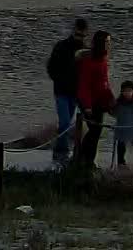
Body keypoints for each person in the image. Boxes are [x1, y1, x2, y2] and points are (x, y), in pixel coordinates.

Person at [47, 18, 92, 164]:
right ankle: (61, 152)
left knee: (71, 122)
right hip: (61, 91)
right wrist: (59, 80)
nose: (80, 38)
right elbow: (51, 67)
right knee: (65, 122)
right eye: (78, 34)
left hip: (75, 93)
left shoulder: (86, 51)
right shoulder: (61, 46)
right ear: (74, 31)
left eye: (83, 35)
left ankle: (70, 152)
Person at [74, 31, 114, 167]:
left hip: (98, 100)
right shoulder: (89, 61)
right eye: (107, 42)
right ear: (101, 43)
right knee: (94, 131)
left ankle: (88, 161)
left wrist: (111, 101)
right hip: (87, 101)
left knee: (96, 132)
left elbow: (104, 83)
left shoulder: (103, 59)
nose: (109, 44)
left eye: (110, 42)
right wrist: (87, 106)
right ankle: (83, 160)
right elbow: (84, 86)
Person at [112, 81, 133, 168]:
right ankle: (121, 163)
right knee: (121, 146)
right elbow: (113, 113)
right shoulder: (118, 102)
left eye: (129, 91)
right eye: (125, 91)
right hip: (122, 128)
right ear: (121, 92)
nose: (127, 93)